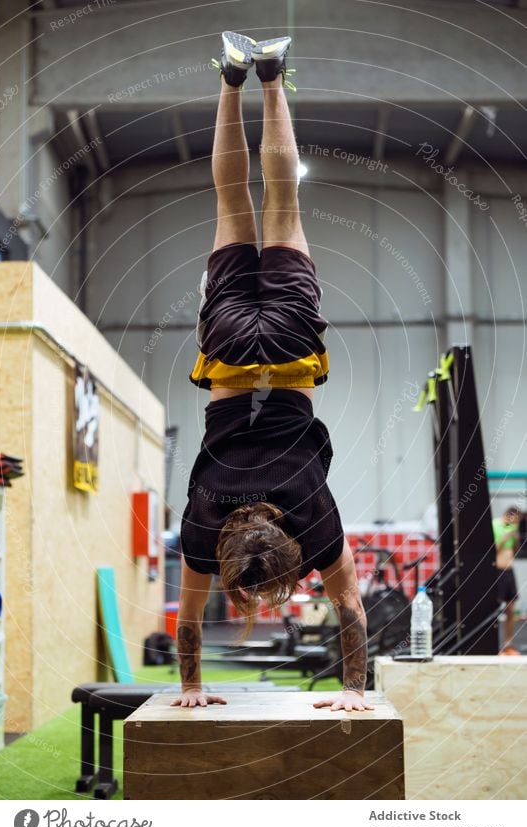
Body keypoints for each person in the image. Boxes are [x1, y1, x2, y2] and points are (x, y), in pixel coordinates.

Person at [173, 32, 373, 713]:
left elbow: (348, 604)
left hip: (288, 352)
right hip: (230, 350)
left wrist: (352, 688)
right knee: (233, 200)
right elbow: (188, 623)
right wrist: (191, 687)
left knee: (280, 198)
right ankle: (232, 75)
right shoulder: (203, 529)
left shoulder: (312, 521)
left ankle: (270, 71)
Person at [492, 505, 521, 656]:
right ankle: (493, 645)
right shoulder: (495, 525)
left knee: (511, 609)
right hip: (498, 571)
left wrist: (515, 538)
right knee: (494, 609)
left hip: (510, 571)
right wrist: (504, 538)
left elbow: (515, 550)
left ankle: (508, 644)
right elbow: (492, 550)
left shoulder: (513, 528)